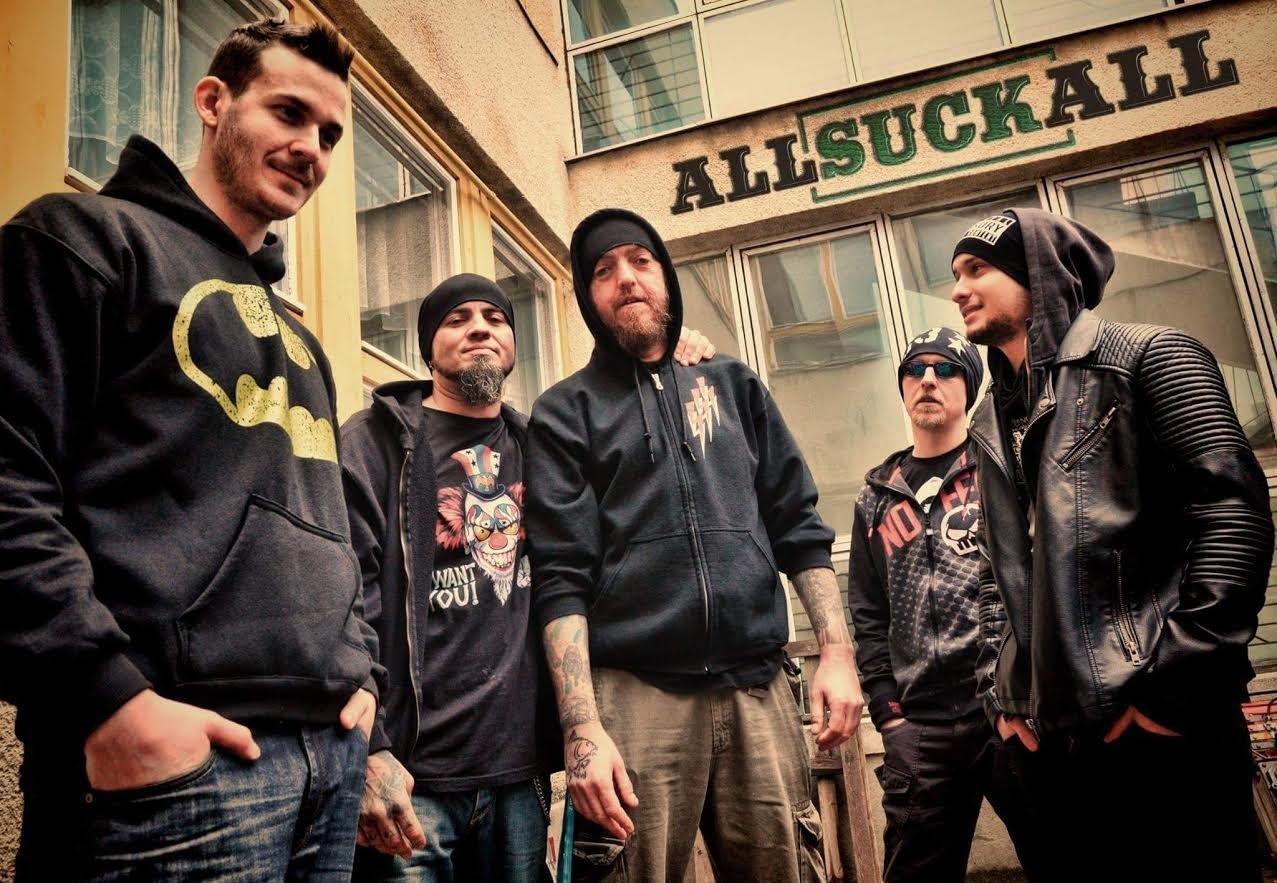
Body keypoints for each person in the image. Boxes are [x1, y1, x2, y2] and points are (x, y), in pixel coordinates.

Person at [0, 20, 380, 880]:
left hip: (330, 761)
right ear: (213, 102)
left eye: (329, 135)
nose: (312, 149)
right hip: (176, 776)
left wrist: (364, 682)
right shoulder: (83, 240)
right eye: (288, 112)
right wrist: (108, 700)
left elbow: (335, 532)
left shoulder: (300, 342)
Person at [525, 207, 863, 882]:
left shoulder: (732, 384)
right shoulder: (565, 412)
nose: (626, 278)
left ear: (667, 277)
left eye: (640, 260)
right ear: (587, 298)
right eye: (603, 270)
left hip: (756, 688)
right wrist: (581, 725)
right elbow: (560, 578)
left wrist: (836, 652)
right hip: (633, 697)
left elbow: (797, 527)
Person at [343, 274, 716, 882]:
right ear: (427, 347)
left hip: (520, 778)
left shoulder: (539, 443)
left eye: (495, 318)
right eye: (457, 319)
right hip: (412, 779)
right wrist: (371, 748)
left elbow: (629, 454)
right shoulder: (376, 443)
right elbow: (346, 598)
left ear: (513, 343)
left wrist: (664, 356)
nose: (479, 329)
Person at [952, 208, 1274, 881]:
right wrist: (1002, 698)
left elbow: (1232, 514)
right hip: (1048, 747)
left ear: (1040, 272)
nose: (958, 289)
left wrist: (1172, 688)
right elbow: (993, 572)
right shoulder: (989, 417)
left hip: (1161, 728)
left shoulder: (1148, 356)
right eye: (956, 274)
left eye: (977, 268)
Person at [848, 326, 1043, 882]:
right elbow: (868, 611)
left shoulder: (1000, 467)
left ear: (970, 386)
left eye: (945, 369)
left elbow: (1037, 578)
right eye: (915, 369)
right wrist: (888, 711)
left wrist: (1030, 688)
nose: (928, 380)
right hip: (920, 727)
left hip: (1008, 709)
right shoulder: (876, 496)